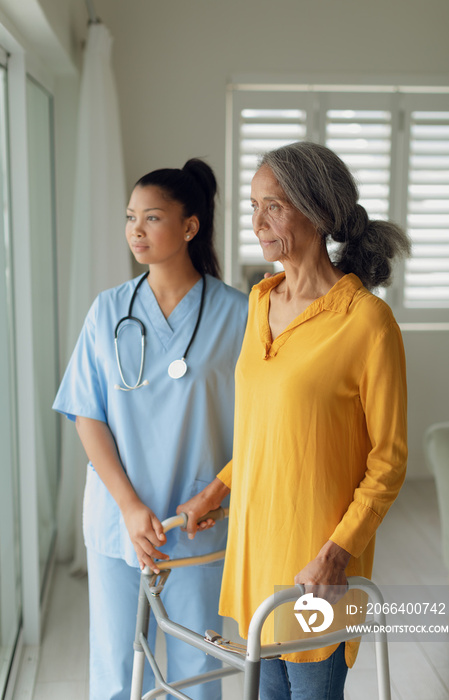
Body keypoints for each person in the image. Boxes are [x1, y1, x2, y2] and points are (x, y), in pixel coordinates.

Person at [177, 142, 410, 700]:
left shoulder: (368, 323)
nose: (257, 222)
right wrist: (216, 489)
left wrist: (338, 552)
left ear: (319, 211)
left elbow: (390, 460)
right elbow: (267, 433)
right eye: (254, 205)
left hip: (317, 566)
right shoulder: (260, 301)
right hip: (257, 549)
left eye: (274, 206)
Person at [53, 158, 248, 700]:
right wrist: (129, 507)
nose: (135, 230)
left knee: (196, 671)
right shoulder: (108, 309)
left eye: (152, 218)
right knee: (117, 673)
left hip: (198, 519)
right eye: (130, 217)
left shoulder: (239, 314)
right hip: (121, 519)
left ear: (190, 226)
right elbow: (86, 412)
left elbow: (263, 422)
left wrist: (218, 492)